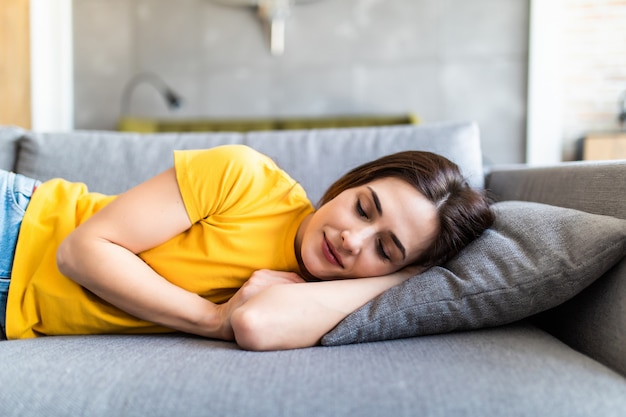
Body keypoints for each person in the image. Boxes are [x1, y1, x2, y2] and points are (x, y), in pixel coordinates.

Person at [0, 144, 494, 350]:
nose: (352, 239)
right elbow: (81, 250)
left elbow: (255, 325)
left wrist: (400, 279)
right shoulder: (246, 177)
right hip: (17, 227)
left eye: (385, 249)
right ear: (351, 183)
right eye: (364, 209)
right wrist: (210, 319)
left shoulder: (315, 299)